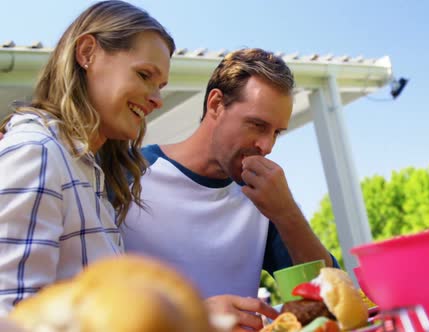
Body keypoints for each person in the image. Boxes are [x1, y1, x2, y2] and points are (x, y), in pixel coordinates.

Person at [121, 48, 338, 331]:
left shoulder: (264, 200)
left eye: (276, 132)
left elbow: (331, 302)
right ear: (215, 104)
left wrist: (288, 215)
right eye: (257, 125)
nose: (267, 146)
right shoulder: (125, 173)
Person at [0, 0, 175, 314]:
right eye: (145, 75)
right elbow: (12, 314)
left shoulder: (86, 169)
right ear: (87, 54)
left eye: (160, 86)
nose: (157, 100)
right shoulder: (37, 152)